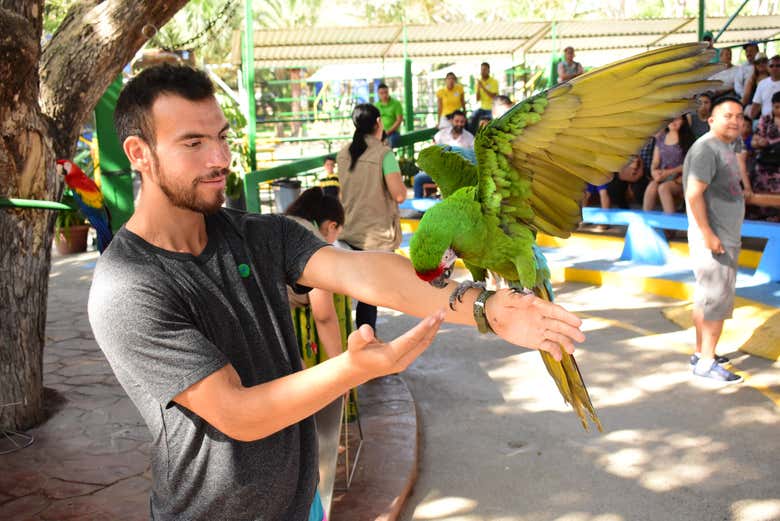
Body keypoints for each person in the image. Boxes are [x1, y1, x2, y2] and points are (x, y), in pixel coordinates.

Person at [88, 64, 585, 521]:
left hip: (303, 503)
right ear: (139, 154)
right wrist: (351, 370)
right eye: (193, 143)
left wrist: (489, 308)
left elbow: (368, 274)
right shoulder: (129, 286)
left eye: (221, 137)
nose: (220, 158)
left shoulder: (257, 234)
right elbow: (237, 413)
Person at [683, 96, 745, 384]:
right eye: (728, 115)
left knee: (708, 298)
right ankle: (706, 363)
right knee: (717, 300)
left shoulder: (726, 146)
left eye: (739, 116)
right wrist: (708, 234)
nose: (735, 121)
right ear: (711, 119)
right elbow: (694, 193)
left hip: (721, 234)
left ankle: (701, 353)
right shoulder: (706, 149)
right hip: (715, 237)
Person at [336, 103, 407, 332]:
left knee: (363, 295)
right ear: (378, 123)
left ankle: (364, 340)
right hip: (376, 237)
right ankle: (368, 344)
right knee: (370, 296)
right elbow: (399, 194)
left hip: (348, 231)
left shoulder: (343, 153)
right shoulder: (384, 155)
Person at [285, 187, 347, 366]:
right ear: (331, 226)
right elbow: (324, 316)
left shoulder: (284, 222)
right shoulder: (315, 243)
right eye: (336, 235)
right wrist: (341, 368)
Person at [643, 116, 695, 213]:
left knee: (664, 188)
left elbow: (689, 165)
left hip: (681, 178)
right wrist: (654, 171)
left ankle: (670, 225)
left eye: (677, 119)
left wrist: (668, 173)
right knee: (652, 186)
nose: (673, 122)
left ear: (683, 121)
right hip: (663, 176)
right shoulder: (661, 139)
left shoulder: (688, 139)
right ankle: (645, 221)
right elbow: (655, 162)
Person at [748, 91, 780, 221]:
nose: (778, 109)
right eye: (776, 106)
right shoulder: (765, 119)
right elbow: (754, 141)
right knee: (760, 185)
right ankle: (760, 216)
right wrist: (759, 142)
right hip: (765, 161)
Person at [470, 62, 499, 133]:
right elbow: (478, 99)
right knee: (473, 117)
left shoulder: (494, 81)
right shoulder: (479, 82)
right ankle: (473, 136)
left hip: (492, 108)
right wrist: (478, 88)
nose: (482, 72)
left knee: (489, 124)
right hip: (482, 108)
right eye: (481, 70)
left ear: (489, 70)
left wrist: (482, 87)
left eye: (484, 70)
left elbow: (493, 96)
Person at [749, 54, 780, 119]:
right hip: (766, 123)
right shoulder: (762, 84)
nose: (774, 68)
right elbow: (756, 105)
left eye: (778, 66)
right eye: (771, 66)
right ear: (768, 68)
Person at [374, 83, 403, 148]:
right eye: (381, 93)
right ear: (378, 94)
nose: (384, 95)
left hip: (393, 132)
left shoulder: (396, 103)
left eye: (386, 92)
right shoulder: (376, 105)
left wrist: (388, 132)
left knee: (390, 142)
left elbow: (399, 120)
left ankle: (390, 157)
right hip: (380, 132)